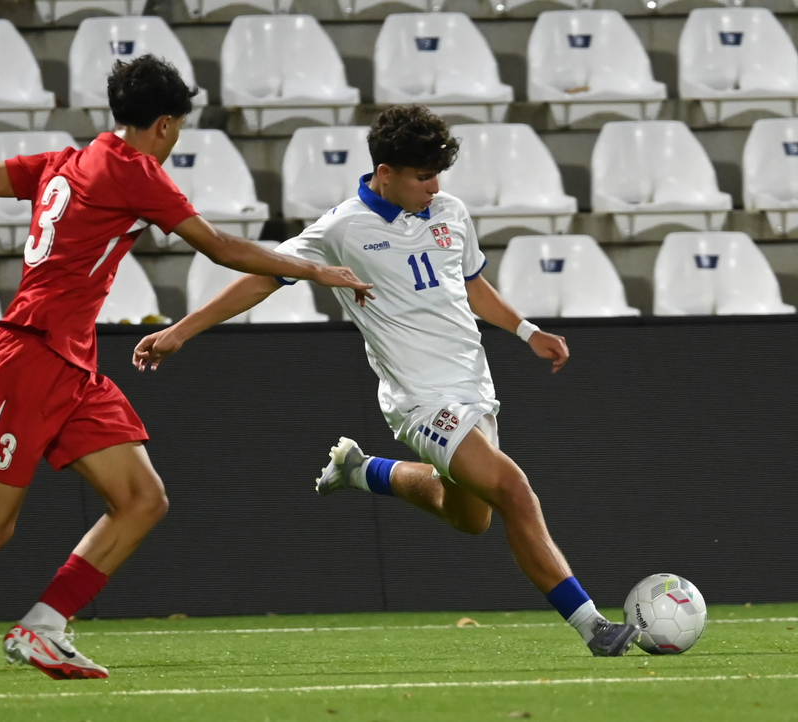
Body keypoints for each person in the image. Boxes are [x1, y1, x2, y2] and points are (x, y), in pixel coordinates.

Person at [0, 55, 373, 680]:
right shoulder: (135, 170)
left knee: (143, 499)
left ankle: (44, 626)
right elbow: (220, 247)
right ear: (166, 125)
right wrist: (312, 268)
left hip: (72, 364)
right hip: (29, 358)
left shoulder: (70, 160)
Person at [132, 104, 642, 657]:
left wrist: (526, 330)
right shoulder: (342, 227)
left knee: (470, 516)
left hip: (475, 390)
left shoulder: (450, 211)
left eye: (437, 173)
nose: (434, 185)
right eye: (423, 175)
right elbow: (262, 280)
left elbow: (471, 286)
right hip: (418, 401)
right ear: (384, 173)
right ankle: (594, 626)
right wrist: (180, 331)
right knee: (515, 490)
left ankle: (364, 470)